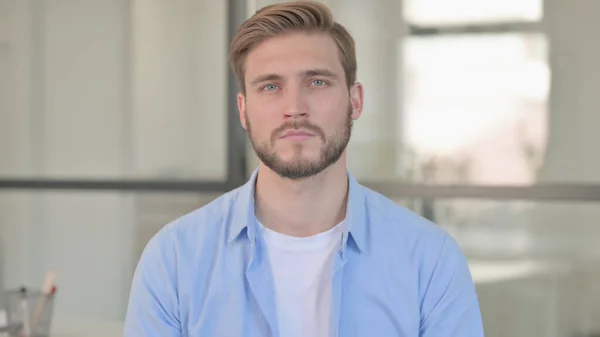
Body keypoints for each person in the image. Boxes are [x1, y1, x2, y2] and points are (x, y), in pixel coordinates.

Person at [123, 1, 484, 336]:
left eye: (317, 82)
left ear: (355, 101)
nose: (294, 107)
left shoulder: (430, 261)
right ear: (244, 110)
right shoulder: (173, 259)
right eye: (270, 86)